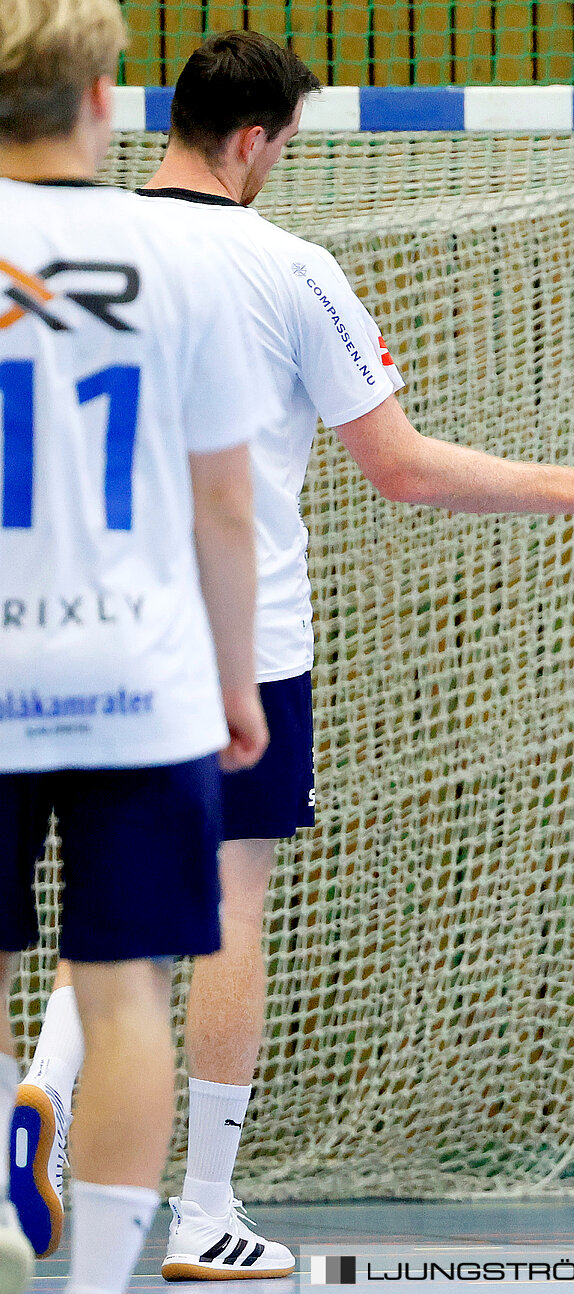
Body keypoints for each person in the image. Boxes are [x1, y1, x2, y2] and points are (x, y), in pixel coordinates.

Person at [7, 29, 574, 1282]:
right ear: (259, 139)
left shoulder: (76, 243)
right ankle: (204, 1207)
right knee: (223, 904)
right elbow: (400, 464)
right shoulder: (285, 266)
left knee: (94, 917)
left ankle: (43, 1084)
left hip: (50, 618)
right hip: (233, 635)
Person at [1, 1, 274, 1290]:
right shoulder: (184, 259)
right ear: (106, 96)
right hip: (137, 681)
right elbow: (226, 501)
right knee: (124, 995)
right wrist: (236, 681)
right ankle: (105, 1276)